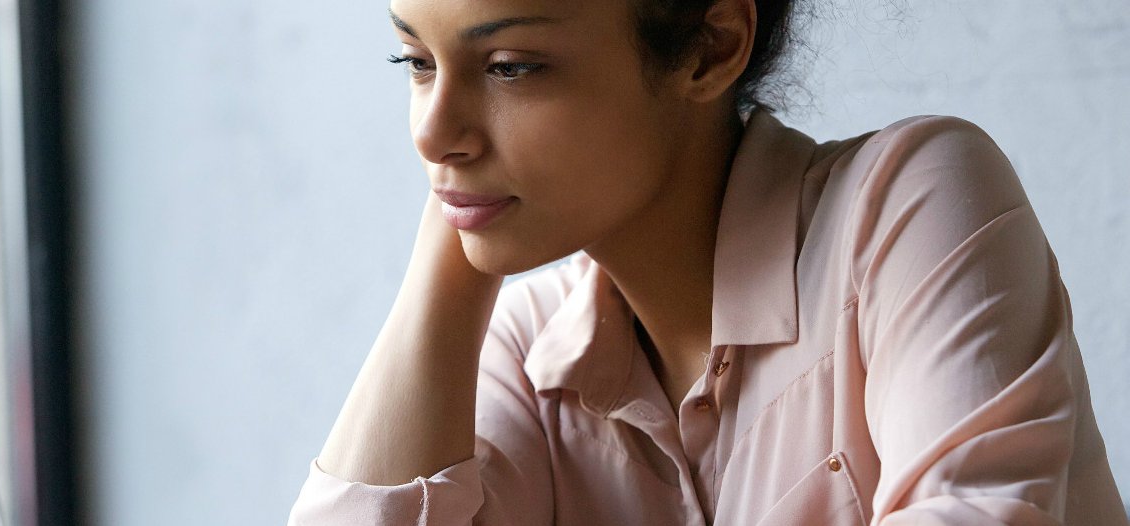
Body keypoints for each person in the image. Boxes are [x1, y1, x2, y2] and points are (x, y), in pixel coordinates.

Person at [289, 0, 1128, 523]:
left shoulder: (907, 206)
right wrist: (456, 243)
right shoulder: (528, 352)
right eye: (418, 63)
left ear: (710, 47)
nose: (429, 132)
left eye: (511, 67)